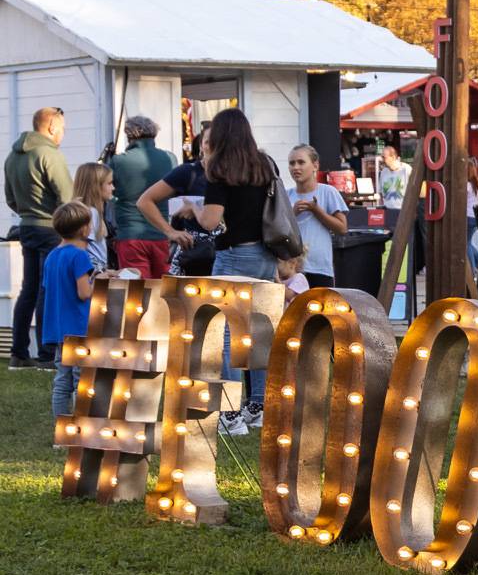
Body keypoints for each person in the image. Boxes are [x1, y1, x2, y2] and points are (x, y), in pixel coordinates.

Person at [139, 105, 284, 434]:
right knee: (260, 330)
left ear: (218, 136)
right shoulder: (264, 164)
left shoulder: (221, 169)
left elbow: (211, 221)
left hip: (233, 255)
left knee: (228, 334)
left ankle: (230, 414)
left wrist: (193, 207)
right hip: (265, 254)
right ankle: (257, 407)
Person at [6, 104, 72, 366]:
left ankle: (18, 353)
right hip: (51, 228)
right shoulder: (49, 154)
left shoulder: (13, 156)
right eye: (63, 129)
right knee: (48, 289)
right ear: (52, 126)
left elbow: (10, 198)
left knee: (28, 290)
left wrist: (27, 212)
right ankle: (46, 354)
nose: (63, 134)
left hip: (26, 226)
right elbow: (66, 197)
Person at [41, 202, 99, 435]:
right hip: (78, 327)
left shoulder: (52, 256)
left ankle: (62, 431)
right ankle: (81, 431)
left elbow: (52, 287)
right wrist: (101, 282)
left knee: (62, 380)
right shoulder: (79, 256)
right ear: (85, 229)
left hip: (58, 328)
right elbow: (84, 292)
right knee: (81, 382)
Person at [109, 115, 178, 278]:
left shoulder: (118, 161)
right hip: (162, 234)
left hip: (130, 234)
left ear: (129, 135)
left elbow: (109, 195)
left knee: (135, 290)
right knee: (163, 289)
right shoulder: (170, 158)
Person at [286, 144, 349, 285]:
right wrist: (292, 213)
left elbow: (342, 228)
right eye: (292, 163)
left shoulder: (328, 192)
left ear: (315, 166)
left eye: (301, 162)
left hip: (319, 268)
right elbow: (277, 229)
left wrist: (317, 210)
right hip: (291, 270)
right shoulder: (285, 195)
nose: (296, 167)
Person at [71, 161, 114, 262]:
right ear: (95, 186)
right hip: (91, 275)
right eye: (109, 183)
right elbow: (81, 250)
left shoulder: (88, 211)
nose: (113, 188)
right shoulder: (90, 213)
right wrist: (98, 271)